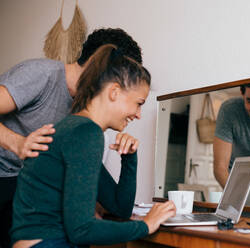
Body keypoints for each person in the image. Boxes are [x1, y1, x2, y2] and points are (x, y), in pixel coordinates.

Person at [10, 44, 177, 248]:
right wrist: (145, 226)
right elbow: (82, 230)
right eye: (139, 103)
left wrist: (129, 158)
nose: (138, 114)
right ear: (114, 91)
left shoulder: (75, 129)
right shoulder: (86, 133)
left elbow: (120, 208)